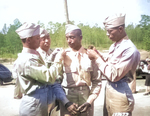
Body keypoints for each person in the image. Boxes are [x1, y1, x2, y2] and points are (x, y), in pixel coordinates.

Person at [87, 13, 140, 116]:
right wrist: (98, 55)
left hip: (120, 93)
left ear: (120, 29)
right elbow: (109, 64)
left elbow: (113, 75)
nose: (107, 34)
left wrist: (97, 58)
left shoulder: (129, 49)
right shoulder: (115, 46)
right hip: (110, 91)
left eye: (110, 31)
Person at [12, 22, 65, 116]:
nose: (39, 40)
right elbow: (49, 77)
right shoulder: (28, 60)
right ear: (28, 40)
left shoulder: (32, 56)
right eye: (37, 38)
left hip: (39, 103)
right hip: (34, 106)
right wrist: (58, 59)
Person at [59, 24, 102, 116]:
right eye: (67, 38)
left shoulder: (90, 55)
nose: (69, 41)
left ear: (80, 38)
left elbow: (97, 81)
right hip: (68, 97)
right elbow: (56, 83)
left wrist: (89, 101)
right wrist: (66, 102)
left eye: (72, 37)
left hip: (85, 97)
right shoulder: (62, 56)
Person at [37, 28, 77, 115]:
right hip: (41, 99)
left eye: (48, 37)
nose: (47, 41)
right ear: (37, 40)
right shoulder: (36, 56)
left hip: (55, 96)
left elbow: (58, 78)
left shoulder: (55, 52)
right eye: (43, 39)